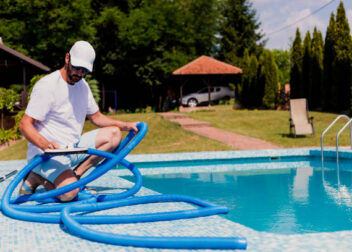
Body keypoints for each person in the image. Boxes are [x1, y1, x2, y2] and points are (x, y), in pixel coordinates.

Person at [19, 41, 138, 201]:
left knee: (114, 134)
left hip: (71, 148)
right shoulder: (47, 86)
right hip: (46, 155)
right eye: (76, 68)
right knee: (69, 194)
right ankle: (35, 177)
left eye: (84, 71)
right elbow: (25, 124)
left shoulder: (83, 86)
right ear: (67, 58)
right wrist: (45, 144)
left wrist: (126, 126)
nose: (79, 74)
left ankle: (76, 175)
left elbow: (97, 117)